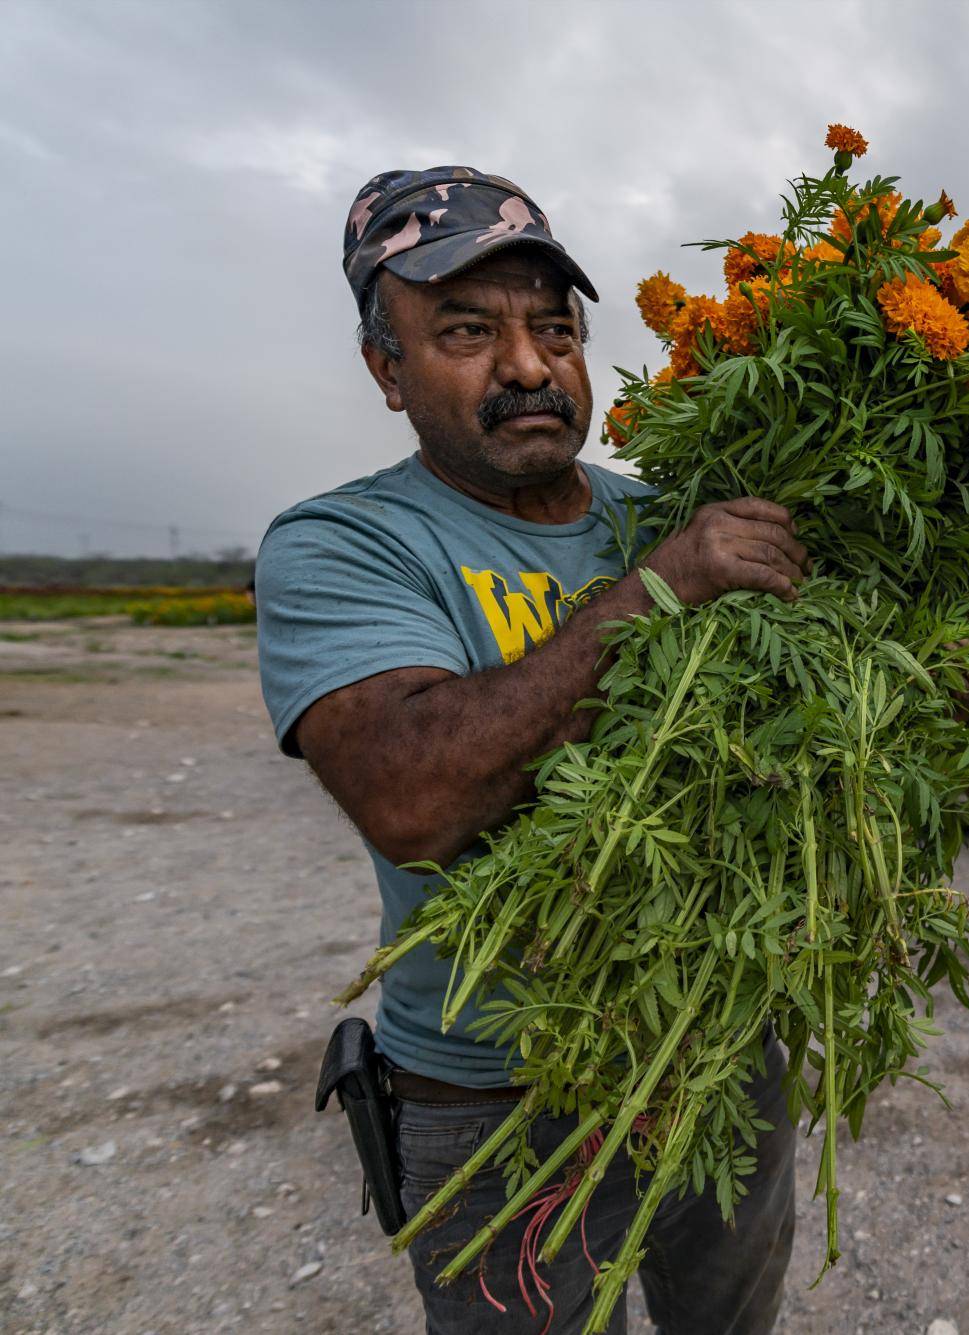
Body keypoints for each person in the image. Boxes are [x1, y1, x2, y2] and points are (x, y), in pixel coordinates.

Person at [255, 167, 806, 1334]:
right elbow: (411, 796)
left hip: (713, 1054)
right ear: (386, 370)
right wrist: (660, 590)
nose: (527, 366)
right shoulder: (346, 544)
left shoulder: (668, 510)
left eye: (554, 328)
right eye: (466, 331)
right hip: (499, 1090)